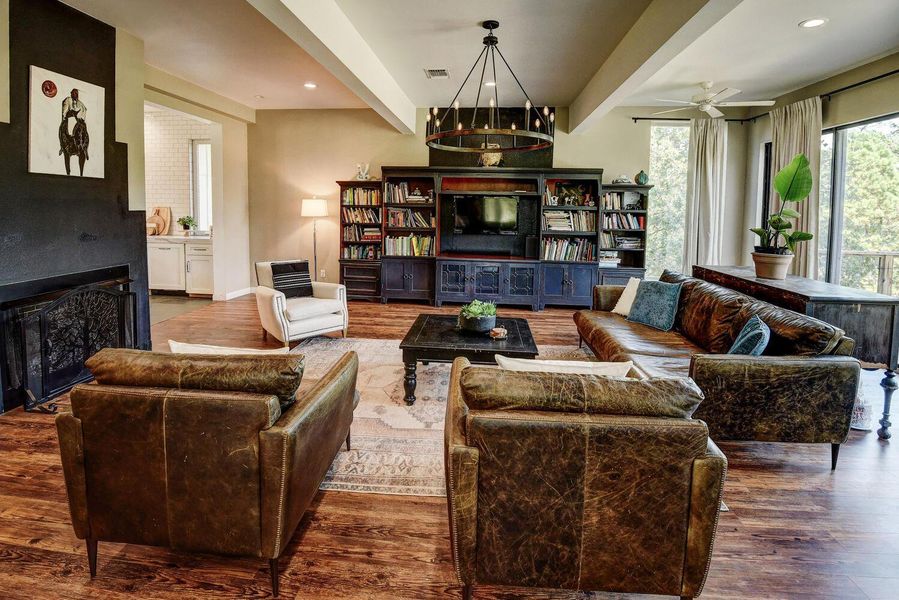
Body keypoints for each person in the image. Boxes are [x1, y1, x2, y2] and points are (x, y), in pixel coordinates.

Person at [58, 88, 90, 176]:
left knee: (84, 130)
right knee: (71, 124)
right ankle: (65, 144)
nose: (75, 95)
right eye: (74, 93)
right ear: (71, 94)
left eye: (77, 93)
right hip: (70, 118)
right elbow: (64, 113)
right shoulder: (67, 100)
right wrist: (70, 114)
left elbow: (84, 112)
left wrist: (80, 119)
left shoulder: (81, 104)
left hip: (79, 121)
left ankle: (84, 148)